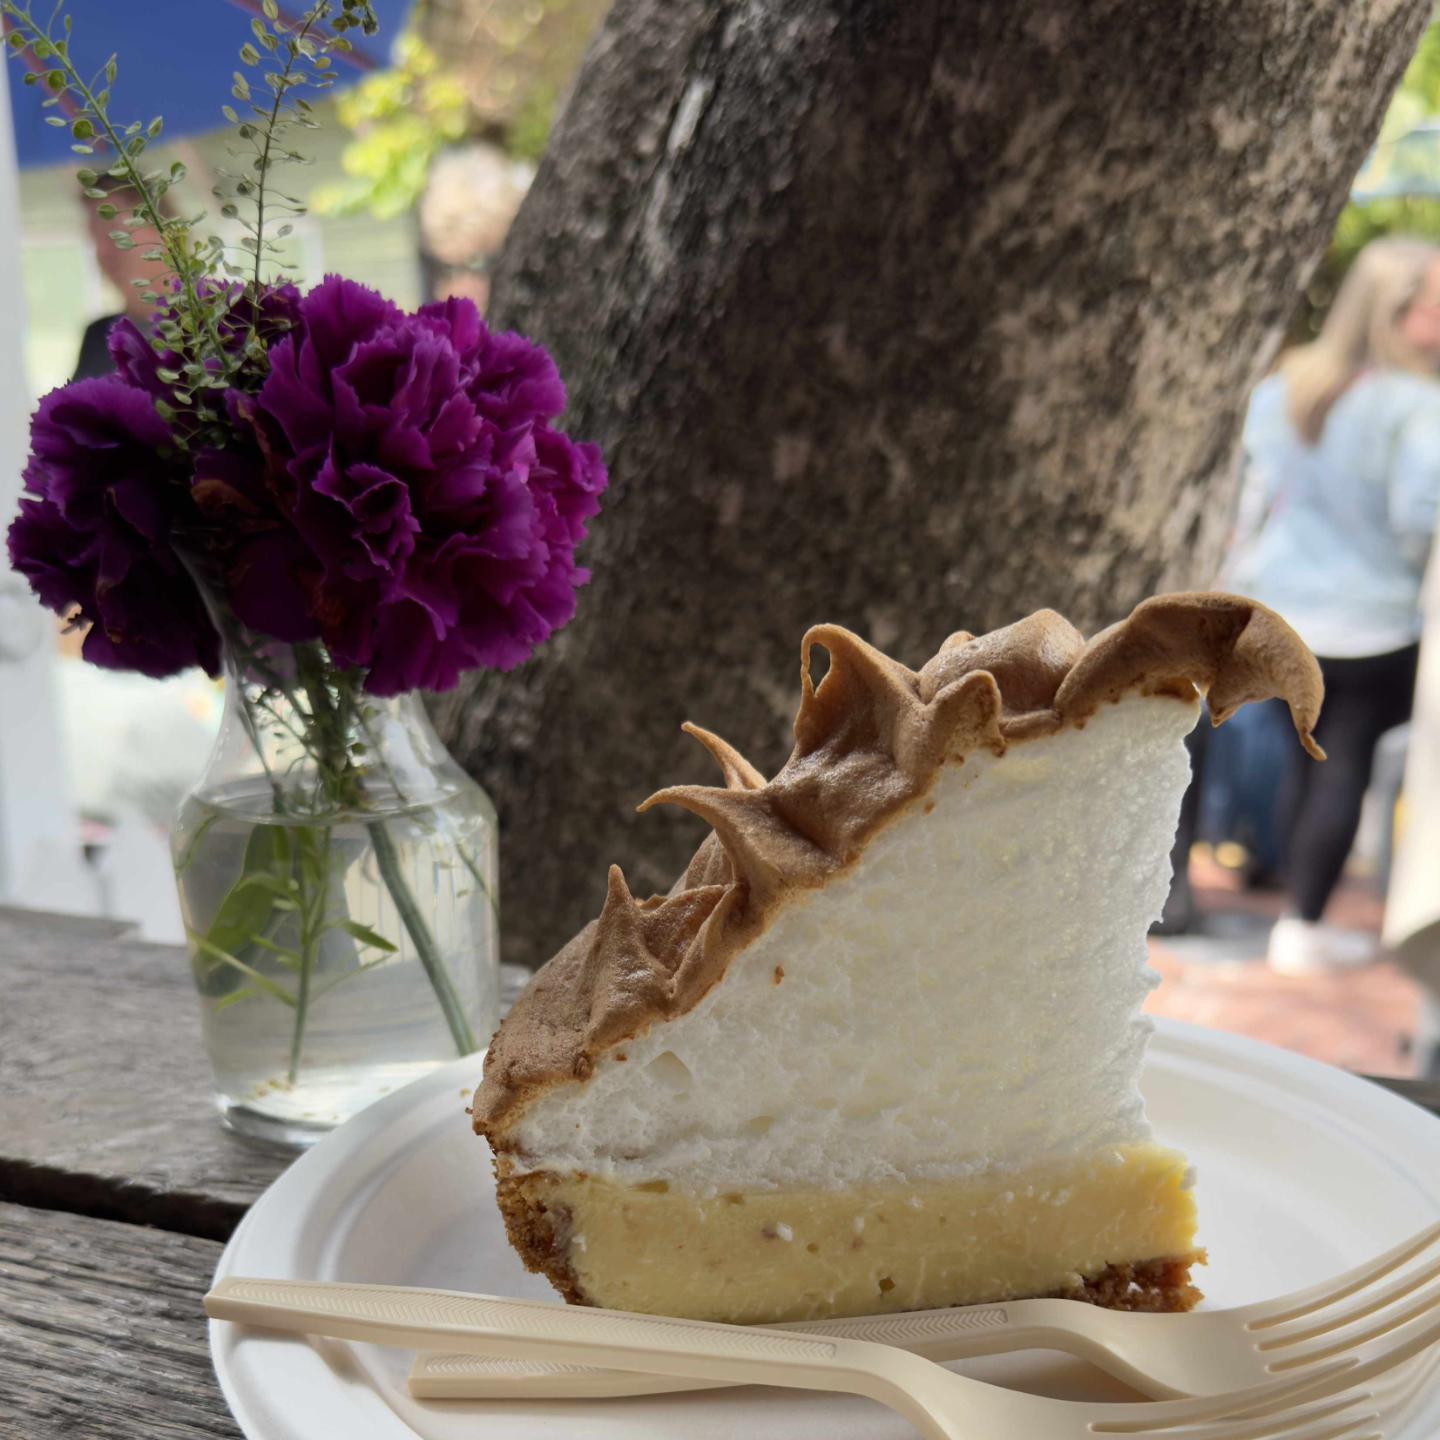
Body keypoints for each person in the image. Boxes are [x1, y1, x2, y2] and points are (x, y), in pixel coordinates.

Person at [1225, 237, 1440, 975]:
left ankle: (1296, 913)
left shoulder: (1286, 387)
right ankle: (1302, 922)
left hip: (1285, 610)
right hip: (1373, 617)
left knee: (1305, 760)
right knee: (1342, 763)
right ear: (1397, 309)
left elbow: (1251, 492)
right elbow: (1421, 512)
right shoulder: (1415, 403)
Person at [72, 175, 169, 380]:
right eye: (94, 237)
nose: (103, 250)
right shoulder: (98, 337)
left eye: (114, 233)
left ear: (163, 229)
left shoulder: (218, 328)